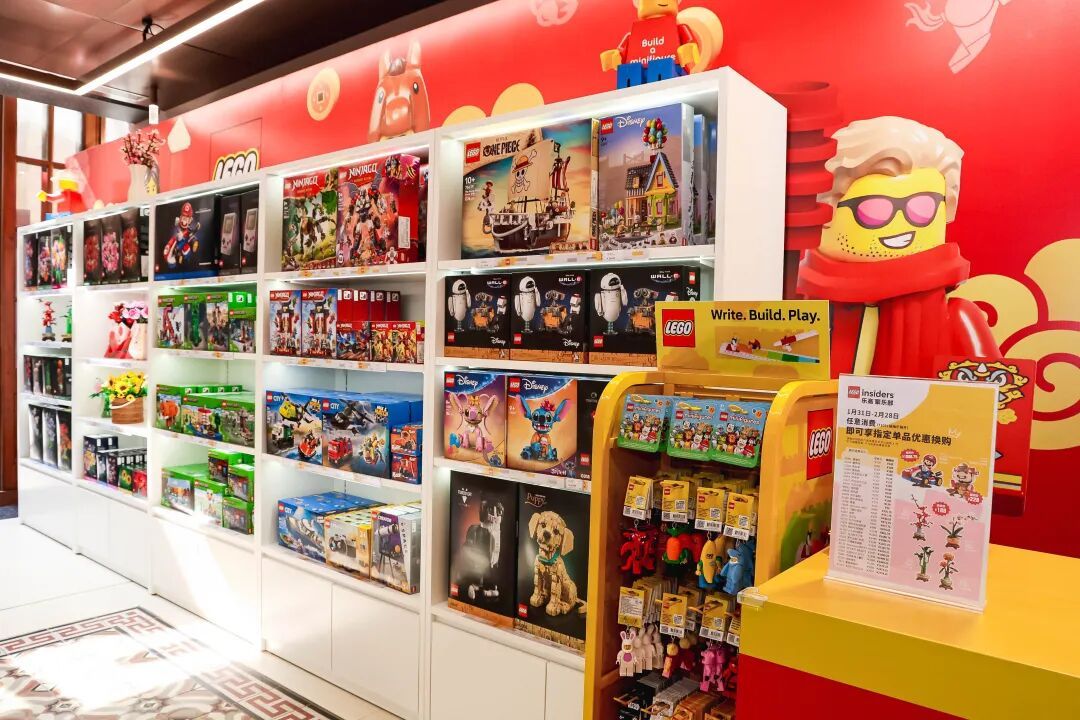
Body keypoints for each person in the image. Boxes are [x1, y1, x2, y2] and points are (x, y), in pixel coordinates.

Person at [798, 116, 999, 378]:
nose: (902, 223)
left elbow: (994, 395)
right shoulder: (800, 312)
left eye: (922, 207)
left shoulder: (957, 318)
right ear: (826, 212)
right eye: (875, 210)